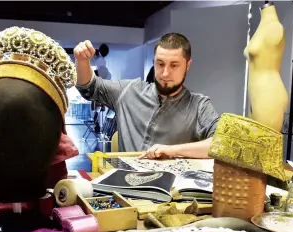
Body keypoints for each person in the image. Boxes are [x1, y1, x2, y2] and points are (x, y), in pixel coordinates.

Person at [74, 33, 220, 160]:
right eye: (160, 64)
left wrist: (172, 151)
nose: (165, 73)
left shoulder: (199, 105)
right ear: (153, 62)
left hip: (172, 189)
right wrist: (81, 61)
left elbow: (221, 144)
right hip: (126, 185)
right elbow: (89, 87)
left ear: (188, 65)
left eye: (174, 65)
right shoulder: (129, 91)